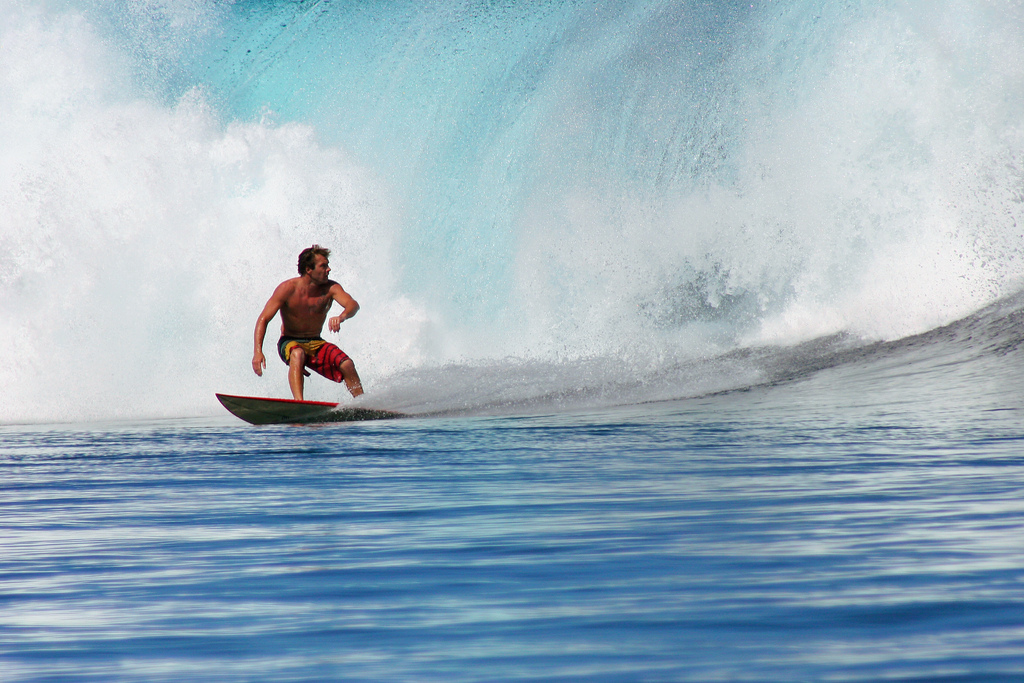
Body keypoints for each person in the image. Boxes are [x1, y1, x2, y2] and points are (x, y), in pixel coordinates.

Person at [252, 245, 363, 400]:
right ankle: (299, 403)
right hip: (290, 341)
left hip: (316, 343)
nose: (329, 269)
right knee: (297, 354)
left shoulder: (331, 288)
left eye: (328, 265)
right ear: (309, 269)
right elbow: (264, 319)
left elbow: (353, 305)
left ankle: (361, 403)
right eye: (323, 266)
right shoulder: (287, 288)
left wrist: (342, 316)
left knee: (347, 364)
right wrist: (258, 352)